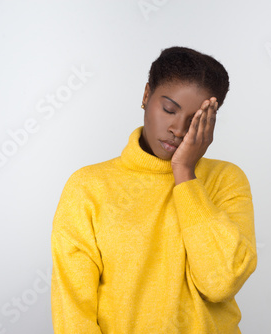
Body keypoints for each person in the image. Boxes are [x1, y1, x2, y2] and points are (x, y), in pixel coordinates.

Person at [50, 46, 257, 333]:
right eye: (170, 109)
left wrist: (185, 173)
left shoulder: (226, 180)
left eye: (196, 120)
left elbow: (220, 283)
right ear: (146, 95)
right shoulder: (88, 186)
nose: (178, 129)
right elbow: (74, 310)